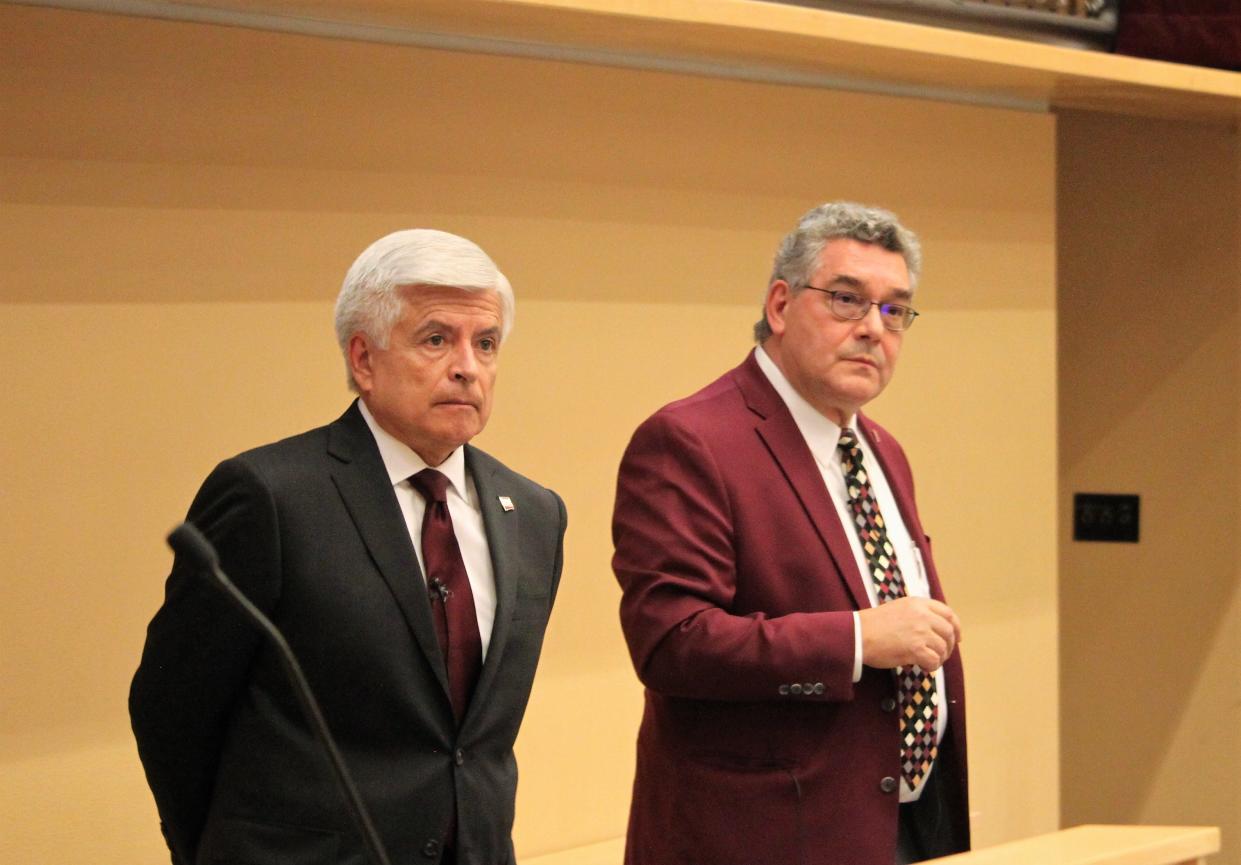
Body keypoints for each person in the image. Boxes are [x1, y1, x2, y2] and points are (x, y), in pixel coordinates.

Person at [130, 229, 567, 865]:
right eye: (437, 338)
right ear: (363, 359)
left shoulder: (534, 513)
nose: (467, 366)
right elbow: (173, 707)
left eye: (487, 343)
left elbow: (473, 739)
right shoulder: (271, 498)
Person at [612, 202, 968, 865]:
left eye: (895, 310)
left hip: (901, 822)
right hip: (762, 838)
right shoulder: (691, 440)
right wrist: (859, 637)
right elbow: (671, 641)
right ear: (780, 305)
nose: (872, 329)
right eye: (846, 299)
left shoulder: (881, 449)